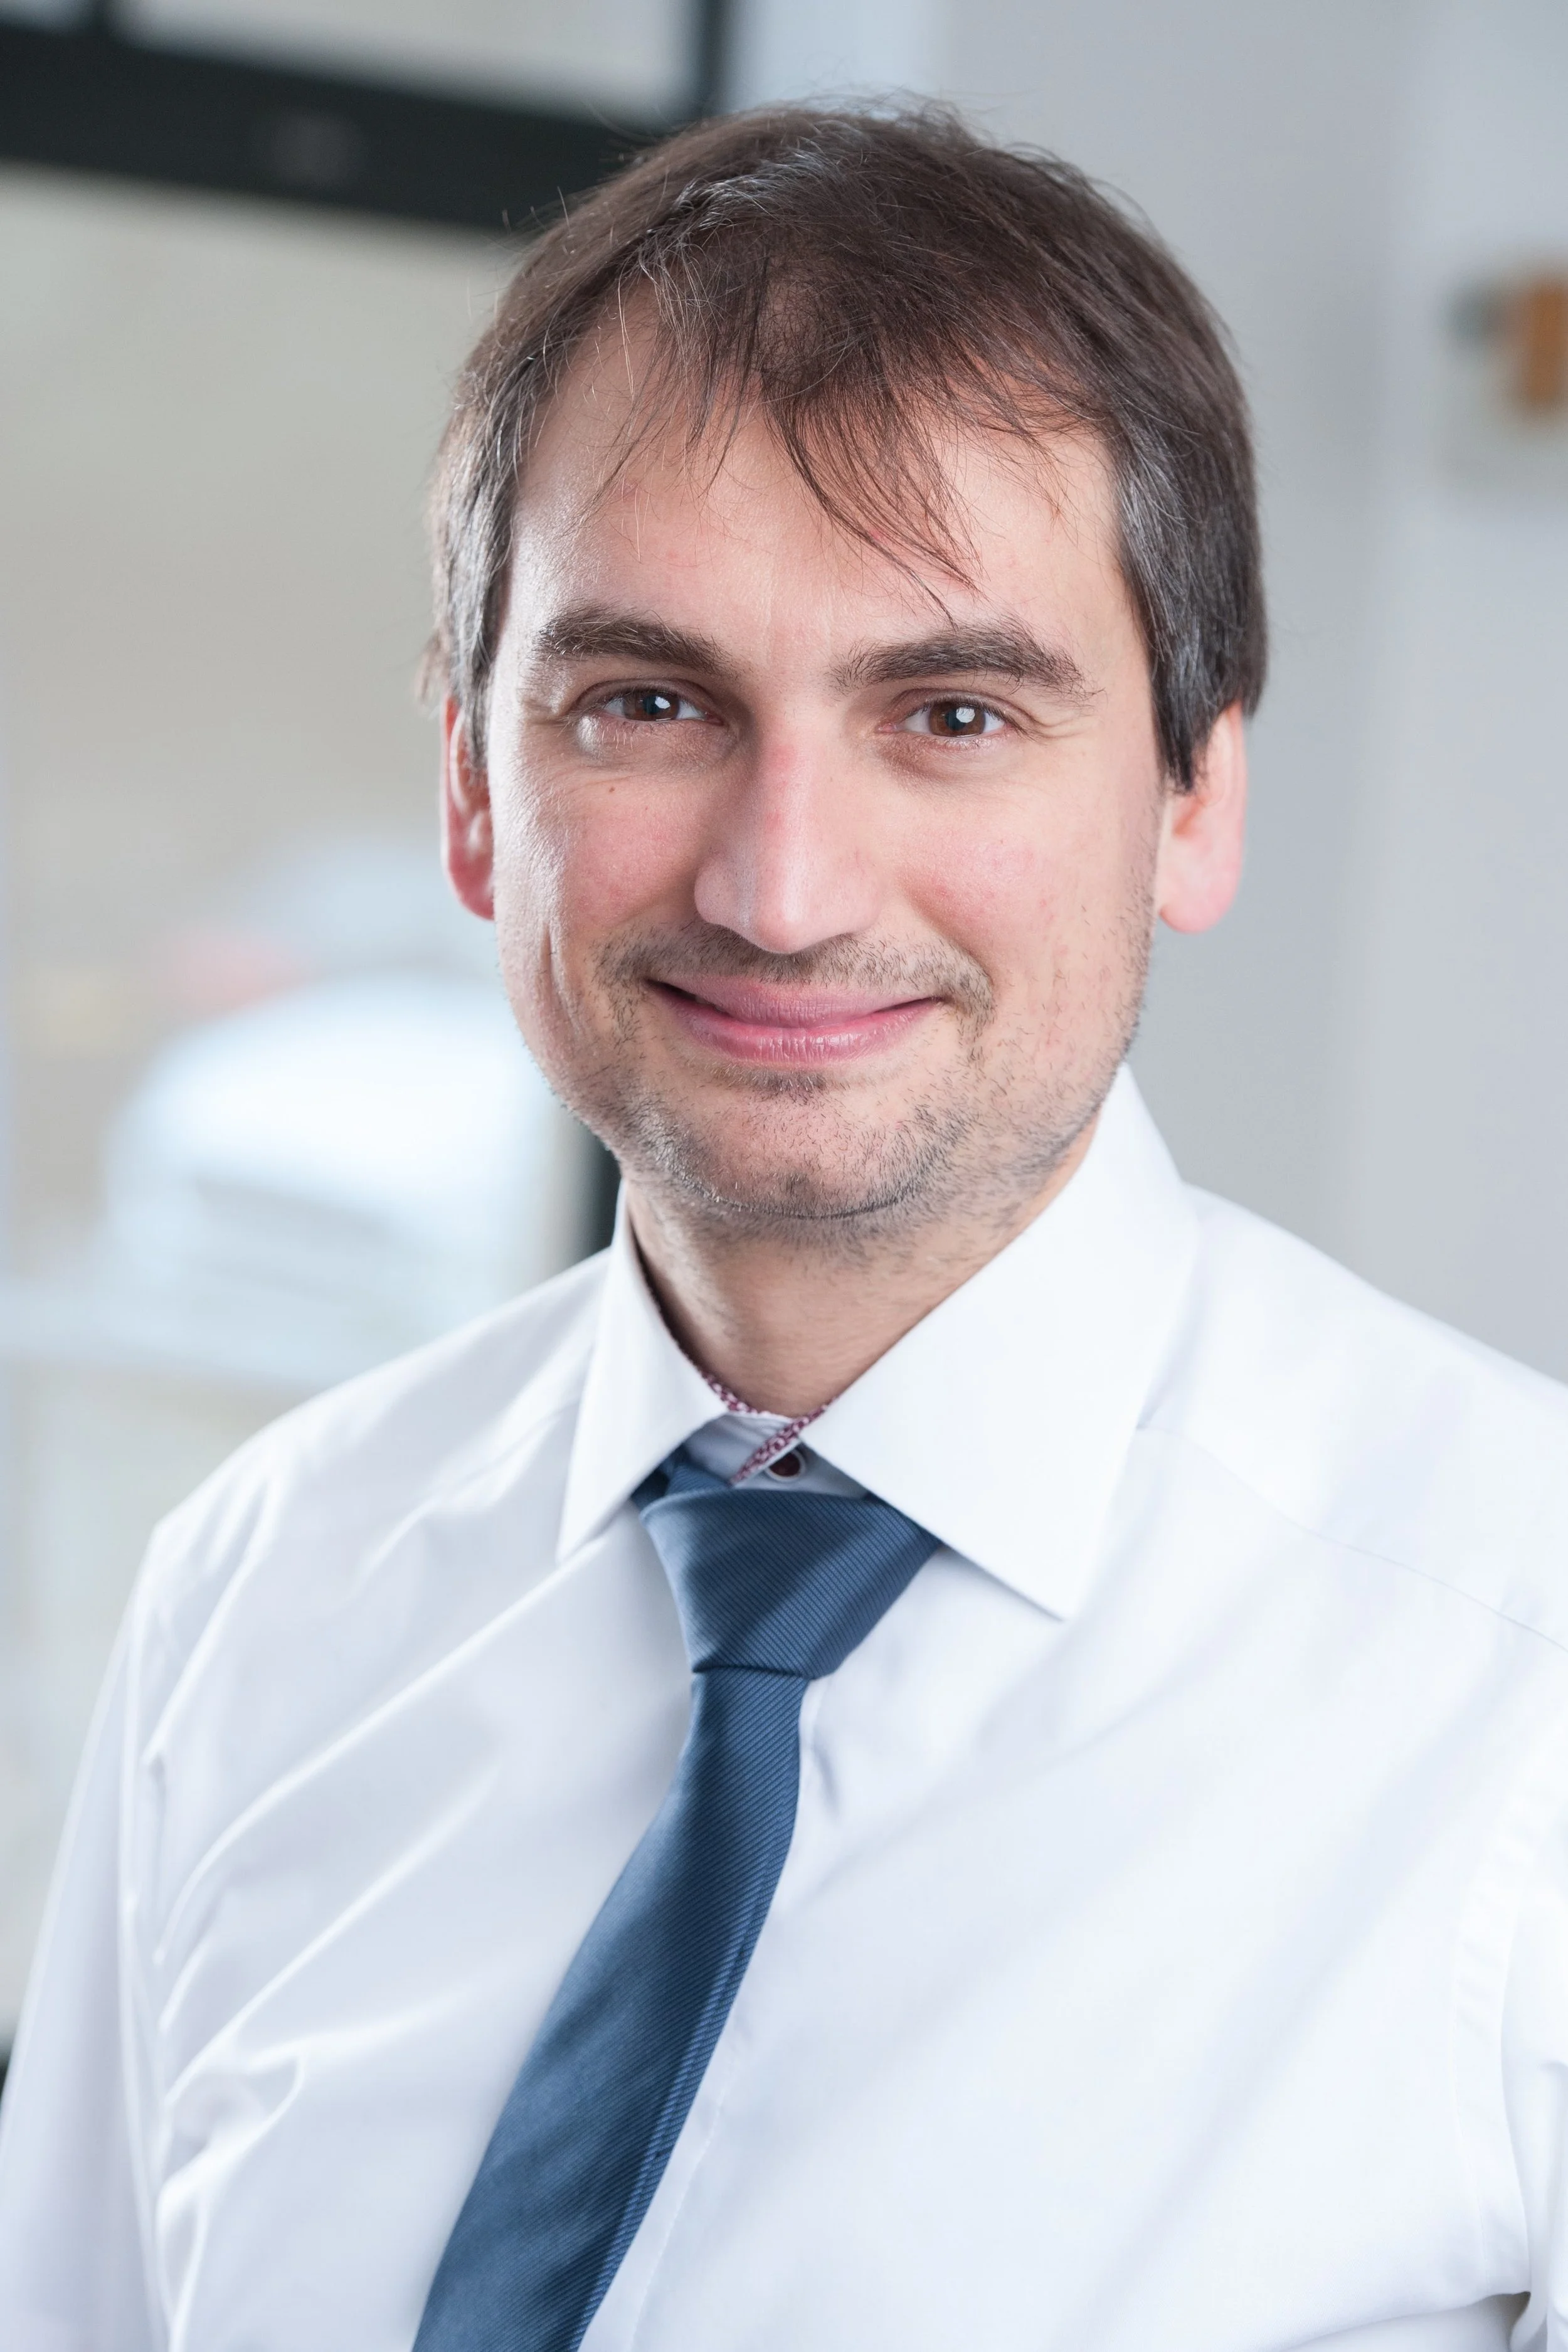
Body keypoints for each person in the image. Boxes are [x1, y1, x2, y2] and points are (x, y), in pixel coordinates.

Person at [3, 102, 1568, 2352]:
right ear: (472, 784)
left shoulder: (1517, 1696)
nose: (782, 884)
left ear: (1193, 796)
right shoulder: (262, 1597)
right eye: (650, 704)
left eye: (949, 712)